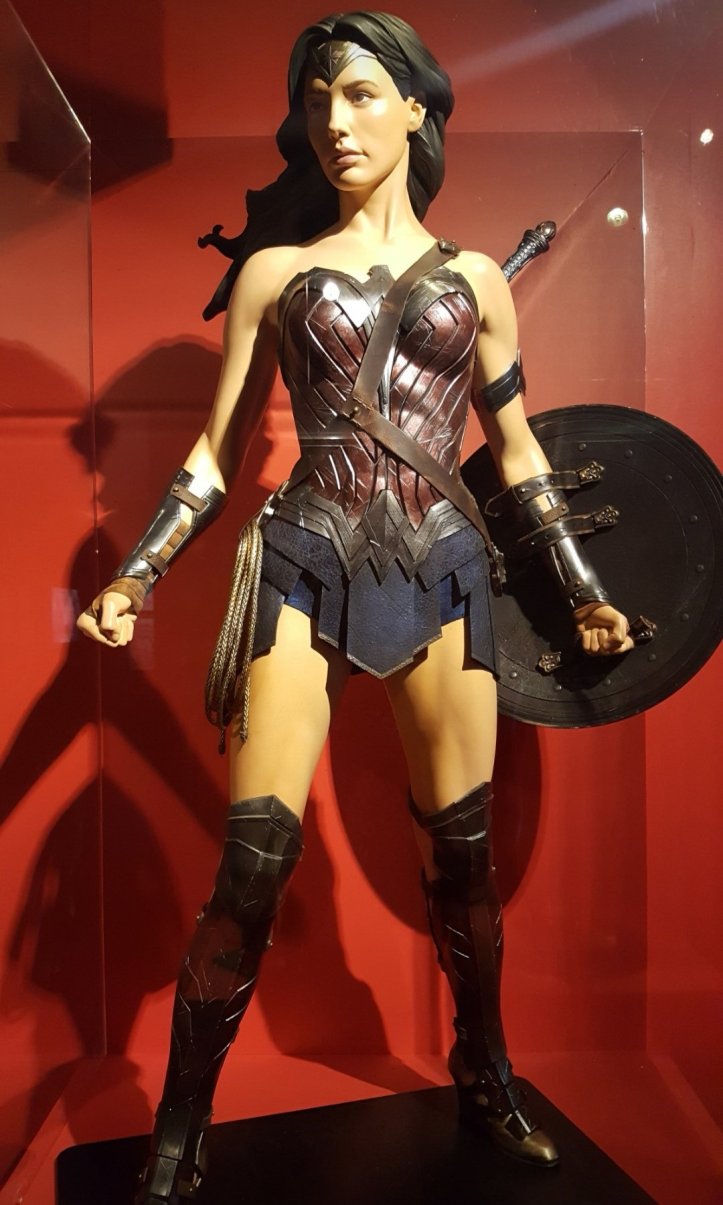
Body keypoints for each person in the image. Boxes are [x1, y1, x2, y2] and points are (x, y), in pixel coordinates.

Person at [77, 12, 633, 1202]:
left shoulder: (479, 282)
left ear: (418, 108)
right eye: (319, 99)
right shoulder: (273, 276)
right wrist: (137, 570)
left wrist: (584, 590)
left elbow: (518, 449)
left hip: (443, 565)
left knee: (464, 861)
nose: (335, 121)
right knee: (253, 861)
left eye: (363, 93)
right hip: (306, 555)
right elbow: (217, 453)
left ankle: (484, 1073)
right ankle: (181, 1119)